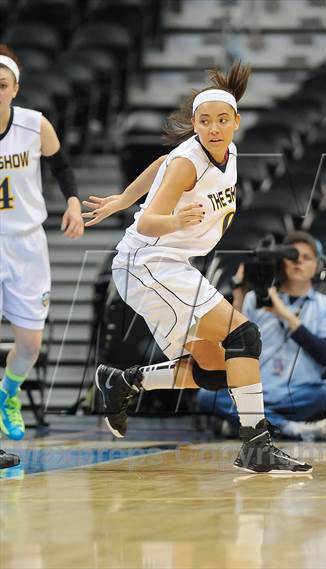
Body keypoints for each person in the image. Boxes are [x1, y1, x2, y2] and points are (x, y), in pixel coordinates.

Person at [83, 62, 312, 474]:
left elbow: (160, 164)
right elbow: (150, 221)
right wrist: (173, 219)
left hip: (170, 265)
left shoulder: (225, 152)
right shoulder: (191, 162)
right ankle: (256, 446)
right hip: (148, 265)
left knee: (212, 371)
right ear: (195, 123)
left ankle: (123, 381)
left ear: (236, 122)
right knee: (244, 335)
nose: (214, 128)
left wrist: (121, 196)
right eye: (205, 121)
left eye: (222, 120)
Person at [0, 45, 84, 441]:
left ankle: (8, 393)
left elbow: (61, 165)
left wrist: (72, 203)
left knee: (30, 346)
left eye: (2, 85)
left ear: (15, 89)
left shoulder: (34, 125)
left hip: (28, 245)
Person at [197, 231, 326, 441]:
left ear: (319, 266)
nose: (298, 262)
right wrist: (238, 293)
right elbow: (228, 340)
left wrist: (283, 313)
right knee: (206, 396)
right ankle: (291, 428)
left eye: (306, 258)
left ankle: (243, 423)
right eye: (292, 257)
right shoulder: (253, 299)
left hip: (296, 393)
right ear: (282, 263)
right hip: (254, 389)